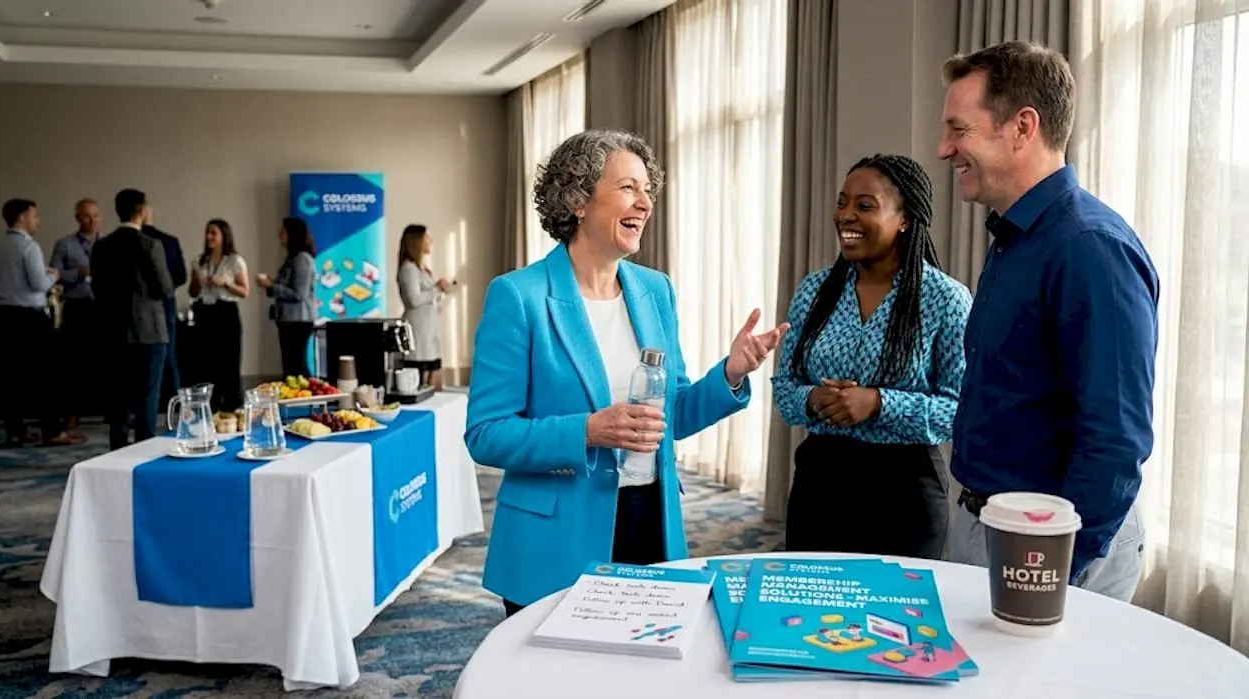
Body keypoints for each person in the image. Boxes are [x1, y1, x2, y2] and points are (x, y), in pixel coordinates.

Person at [465, 129, 788, 617]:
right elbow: (486, 434)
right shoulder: (519, 296)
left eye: (648, 190)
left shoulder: (655, 290)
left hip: (649, 520)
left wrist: (732, 374)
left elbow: (668, 415)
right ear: (578, 200)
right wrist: (589, 431)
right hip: (556, 539)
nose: (645, 203)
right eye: (628, 188)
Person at [937, 40, 1160, 602]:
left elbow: (1114, 440)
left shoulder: (1090, 249)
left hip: (1048, 550)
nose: (944, 149)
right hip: (990, 524)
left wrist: (1051, 567)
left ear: (1022, 127)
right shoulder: (1016, 237)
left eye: (959, 130)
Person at [771, 154, 971, 560]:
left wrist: (878, 403)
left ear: (905, 219)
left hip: (905, 490)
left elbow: (959, 408)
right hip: (820, 483)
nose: (845, 216)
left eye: (865, 206)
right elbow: (784, 389)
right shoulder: (813, 292)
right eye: (842, 203)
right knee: (812, 612)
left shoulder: (945, 299)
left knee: (898, 618)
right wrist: (812, 399)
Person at [0, 198, 84, 446]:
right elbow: (39, 284)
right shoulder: (29, 248)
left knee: (10, 378)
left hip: (4, 315)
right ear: (21, 217)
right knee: (47, 375)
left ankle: (16, 430)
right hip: (30, 317)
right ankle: (52, 431)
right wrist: (54, 275)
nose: (37, 220)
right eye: (34, 216)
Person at [91, 189, 173, 450]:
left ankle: (116, 451)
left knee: (118, 398)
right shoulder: (150, 244)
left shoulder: (102, 246)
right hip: (149, 331)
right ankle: (143, 451)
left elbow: (98, 289)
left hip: (113, 330)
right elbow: (165, 289)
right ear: (142, 211)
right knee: (147, 399)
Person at [50, 198, 101, 427]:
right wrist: (78, 273)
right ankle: (72, 412)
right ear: (78, 218)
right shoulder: (65, 244)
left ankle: (108, 409)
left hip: (102, 306)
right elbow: (54, 273)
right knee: (74, 361)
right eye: (87, 216)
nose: (92, 220)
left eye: (95, 215)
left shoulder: (106, 243)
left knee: (104, 358)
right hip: (77, 305)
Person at [188, 218, 248, 411]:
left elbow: (245, 291)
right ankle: (209, 406)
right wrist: (198, 281)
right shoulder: (199, 260)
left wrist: (225, 283)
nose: (209, 237)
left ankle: (231, 406)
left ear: (224, 236)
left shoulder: (235, 261)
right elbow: (192, 292)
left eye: (214, 233)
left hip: (226, 313)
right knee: (205, 361)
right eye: (207, 232)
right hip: (204, 312)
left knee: (229, 361)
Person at [256, 217, 317, 378]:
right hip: (288, 319)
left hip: (298, 320)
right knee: (290, 364)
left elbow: (299, 293)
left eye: (283, 232)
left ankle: (306, 398)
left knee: (296, 364)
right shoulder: (292, 258)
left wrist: (271, 286)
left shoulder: (301, 259)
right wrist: (272, 283)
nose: (279, 235)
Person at [396, 224, 454, 390]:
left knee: (431, 373)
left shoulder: (422, 269)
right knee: (419, 373)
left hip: (428, 330)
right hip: (417, 330)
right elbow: (414, 300)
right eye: (427, 237)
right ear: (417, 241)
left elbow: (428, 298)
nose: (431, 241)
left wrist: (442, 290)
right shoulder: (408, 268)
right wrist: (437, 289)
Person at [142, 204, 187, 404]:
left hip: (135, 309)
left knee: (138, 360)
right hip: (165, 304)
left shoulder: (129, 241)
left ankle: (141, 407)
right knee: (169, 355)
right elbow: (181, 276)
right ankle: (176, 406)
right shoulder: (169, 241)